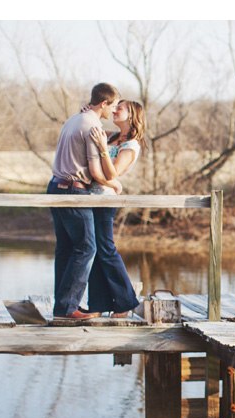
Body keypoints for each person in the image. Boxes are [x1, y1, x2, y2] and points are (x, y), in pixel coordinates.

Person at [47, 82, 120, 320]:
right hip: (73, 191)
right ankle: (68, 308)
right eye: (114, 105)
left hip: (55, 187)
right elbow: (96, 173)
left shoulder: (74, 119)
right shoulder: (92, 127)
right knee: (87, 246)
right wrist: (114, 184)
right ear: (103, 103)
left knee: (66, 249)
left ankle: (62, 307)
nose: (114, 110)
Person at [83, 100, 147, 318]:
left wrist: (102, 148)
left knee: (106, 249)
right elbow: (93, 128)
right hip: (90, 197)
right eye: (114, 106)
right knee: (97, 251)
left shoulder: (131, 145)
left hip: (105, 200)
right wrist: (88, 113)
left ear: (132, 116)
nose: (115, 110)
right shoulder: (112, 136)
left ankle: (126, 302)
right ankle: (98, 306)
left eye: (120, 108)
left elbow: (113, 175)